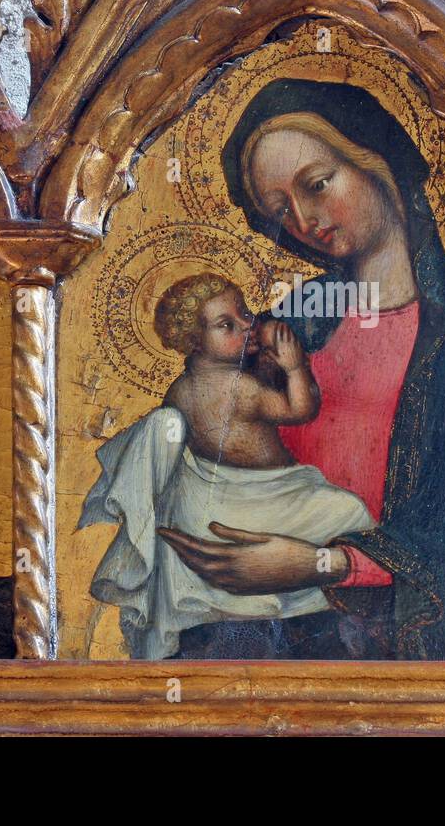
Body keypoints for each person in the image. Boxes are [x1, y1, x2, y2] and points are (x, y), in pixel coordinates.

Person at [156, 78, 445, 660]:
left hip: (403, 646)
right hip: (264, 631)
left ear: (375, 162)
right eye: (279, 210)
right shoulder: (289, 323)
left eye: (316, 185)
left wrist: (323, 562)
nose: (303, 219)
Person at [78, 272, 372, 659]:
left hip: (210, 503)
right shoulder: (241, 388)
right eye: (227, 325)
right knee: (349, 511)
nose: (249, 325)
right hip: (265, 494)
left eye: (246, 313)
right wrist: (295, 367)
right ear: (195, 341)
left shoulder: (179, 390)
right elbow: (300, 409)